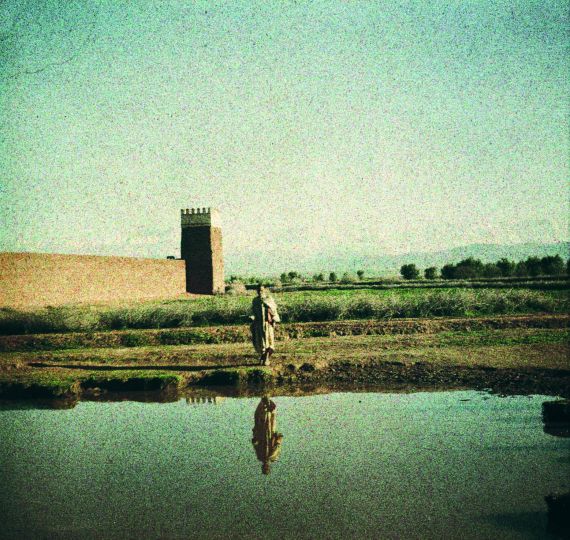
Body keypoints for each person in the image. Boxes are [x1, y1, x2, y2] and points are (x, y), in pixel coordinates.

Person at [251, 396, 283, 475]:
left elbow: (256, 447)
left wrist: (255, 441)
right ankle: (268, 404)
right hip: (270, 434)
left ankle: (264, 403)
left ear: (262, 467)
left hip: (261, 434)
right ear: (268, 467)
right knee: (270, 419)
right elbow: (278, 445)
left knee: (259, 418)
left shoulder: (260, 457)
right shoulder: (273, 457)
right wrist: (278, 439)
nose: (265, 466)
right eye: (267, 468)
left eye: (264, 468)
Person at [250, 284, 280, 366]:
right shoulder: (255, 301)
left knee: (269, 343)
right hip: (259, 325)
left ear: (265, 290)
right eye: (259, 290)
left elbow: (274, 310)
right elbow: (253, 311)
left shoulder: (269, 299)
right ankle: (263, 357)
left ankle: (266, 358)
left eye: (262, 290)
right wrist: (252, 317)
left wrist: (274, 320)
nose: (260, 292)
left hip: (268, 324)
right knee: (261, 343)